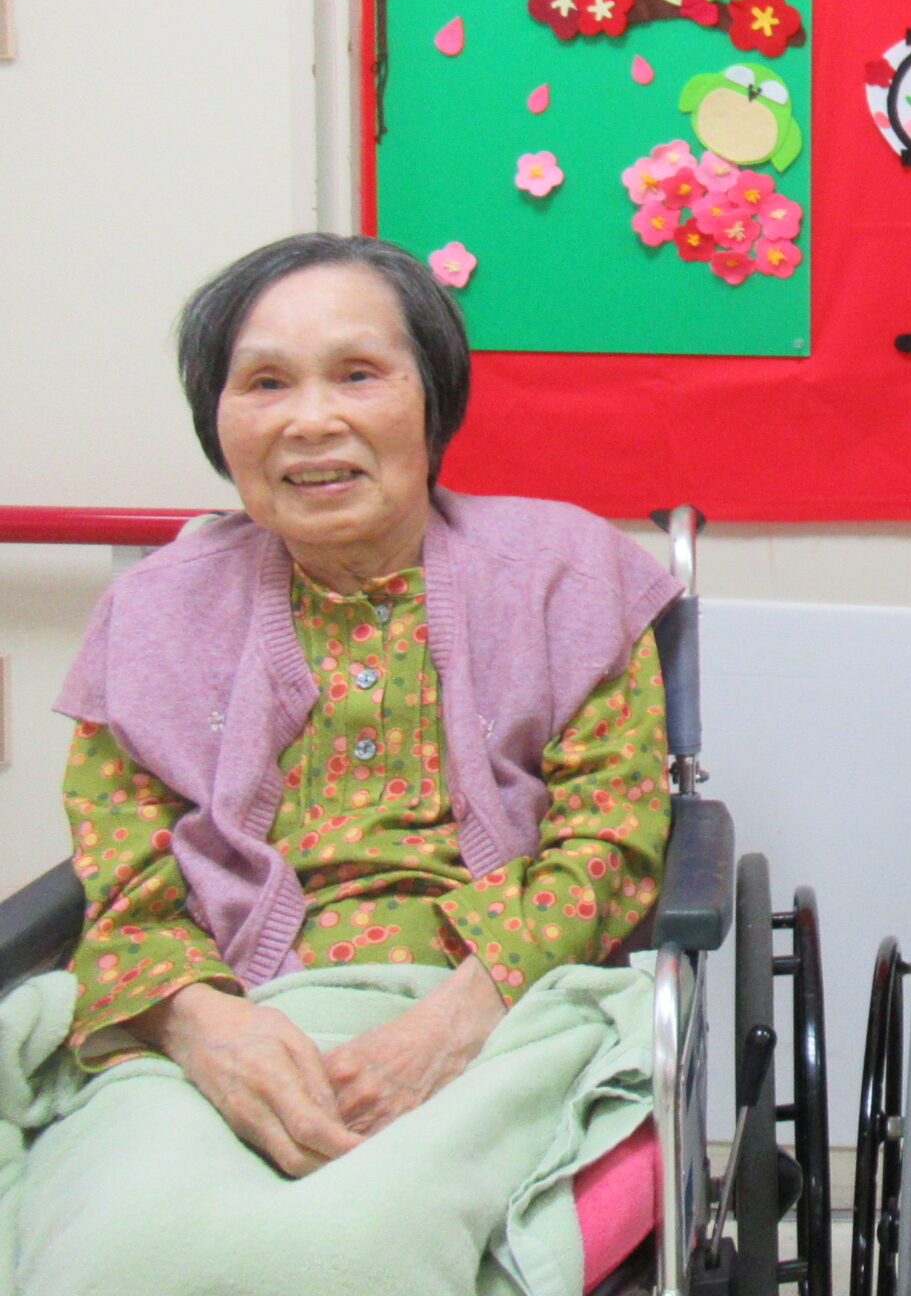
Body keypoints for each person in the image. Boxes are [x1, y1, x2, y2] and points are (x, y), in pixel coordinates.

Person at [33, 233, 672, 1274]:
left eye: (358, 374)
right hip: (218, 1017)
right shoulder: (150, 616)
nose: (310, 420)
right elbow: (126, 879)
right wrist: (206, 1032)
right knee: (119, 1245)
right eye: (265, 383)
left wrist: (451, 1028)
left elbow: (612, 842)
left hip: (502, 1011)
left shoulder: (565, 577)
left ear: (433, 400)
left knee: (352, 1248)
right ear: (217, 419)